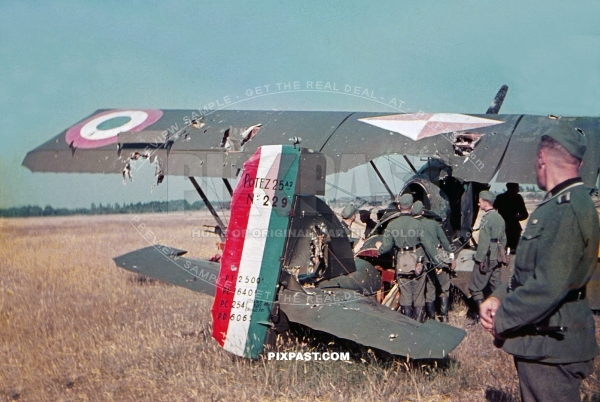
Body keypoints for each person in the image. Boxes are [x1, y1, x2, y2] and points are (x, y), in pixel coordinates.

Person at [480, 124, 599, 402]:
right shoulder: (560, 204)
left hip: (552, 343)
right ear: (578, 162)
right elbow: (529, 271)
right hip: (547, 339)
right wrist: (498, 297)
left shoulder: (566, 208)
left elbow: (548, 285)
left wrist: (503, 320)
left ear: (542, 158)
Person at [376, 194, 436, 322]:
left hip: (401, 263)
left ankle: (408, 323)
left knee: (405, 294)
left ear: (399, 206)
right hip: (417, 263)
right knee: (419, 294)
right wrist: (438, 262)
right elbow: (428, 245)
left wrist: (379, 247)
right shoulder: (418, 224)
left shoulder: (392, 225)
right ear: (412, 207)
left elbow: (386, 247)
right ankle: (419, 322)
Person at [412, 200, 455, 322]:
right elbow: (445, 242)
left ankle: (431, 318)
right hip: (437, 259)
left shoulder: (412, 225)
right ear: (423, 211)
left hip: (422, 261)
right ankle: (444, 316)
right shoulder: (433, 224)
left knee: (430, 289)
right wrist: (452, 257)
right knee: (444, 287)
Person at [468, 190, 506, 321]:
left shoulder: (486, 219)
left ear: (485, 203)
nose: (479, 205)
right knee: (496, 286)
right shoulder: (500, 218)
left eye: (479, 202)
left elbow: (483, 242)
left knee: (475, 287)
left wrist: (479, 259)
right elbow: (504, 239)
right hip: (497, 257)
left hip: (487, 257)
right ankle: (501, 315)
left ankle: (479, 317)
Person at [494, 182, 529, 253]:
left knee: (513, 252)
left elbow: (525, 214)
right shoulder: (500, 198)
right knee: (501, 252)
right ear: (510, 189)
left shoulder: (518, 198)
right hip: (503, 229)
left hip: (514, 230)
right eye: (516, 189)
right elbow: (493, 211)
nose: (518, 190)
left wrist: (518, 217)